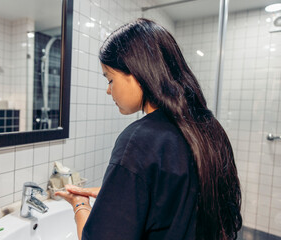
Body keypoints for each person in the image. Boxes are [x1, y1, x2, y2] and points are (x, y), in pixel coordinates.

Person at [55, 18, 242, 240]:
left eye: (110, 79)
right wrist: (116, 195)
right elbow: (181, 199)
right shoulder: (207, 127)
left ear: (136, 72)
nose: (108, 90)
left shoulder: (139, 140)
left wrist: (80, 206)